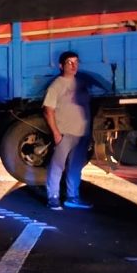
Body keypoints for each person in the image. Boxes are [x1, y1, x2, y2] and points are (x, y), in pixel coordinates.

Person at [43, 51, 93, 210]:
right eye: (69, 62)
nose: (73, 65)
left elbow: (86, 107)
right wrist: (56, 134)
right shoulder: (56, 85)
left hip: (81, 134)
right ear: (61, 66)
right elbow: (48, 110)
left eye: (76, 62)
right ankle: (53, 198)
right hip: (64, 133)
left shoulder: (81, 84)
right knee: (57, 167)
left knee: (75, 168)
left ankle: (73, 197)